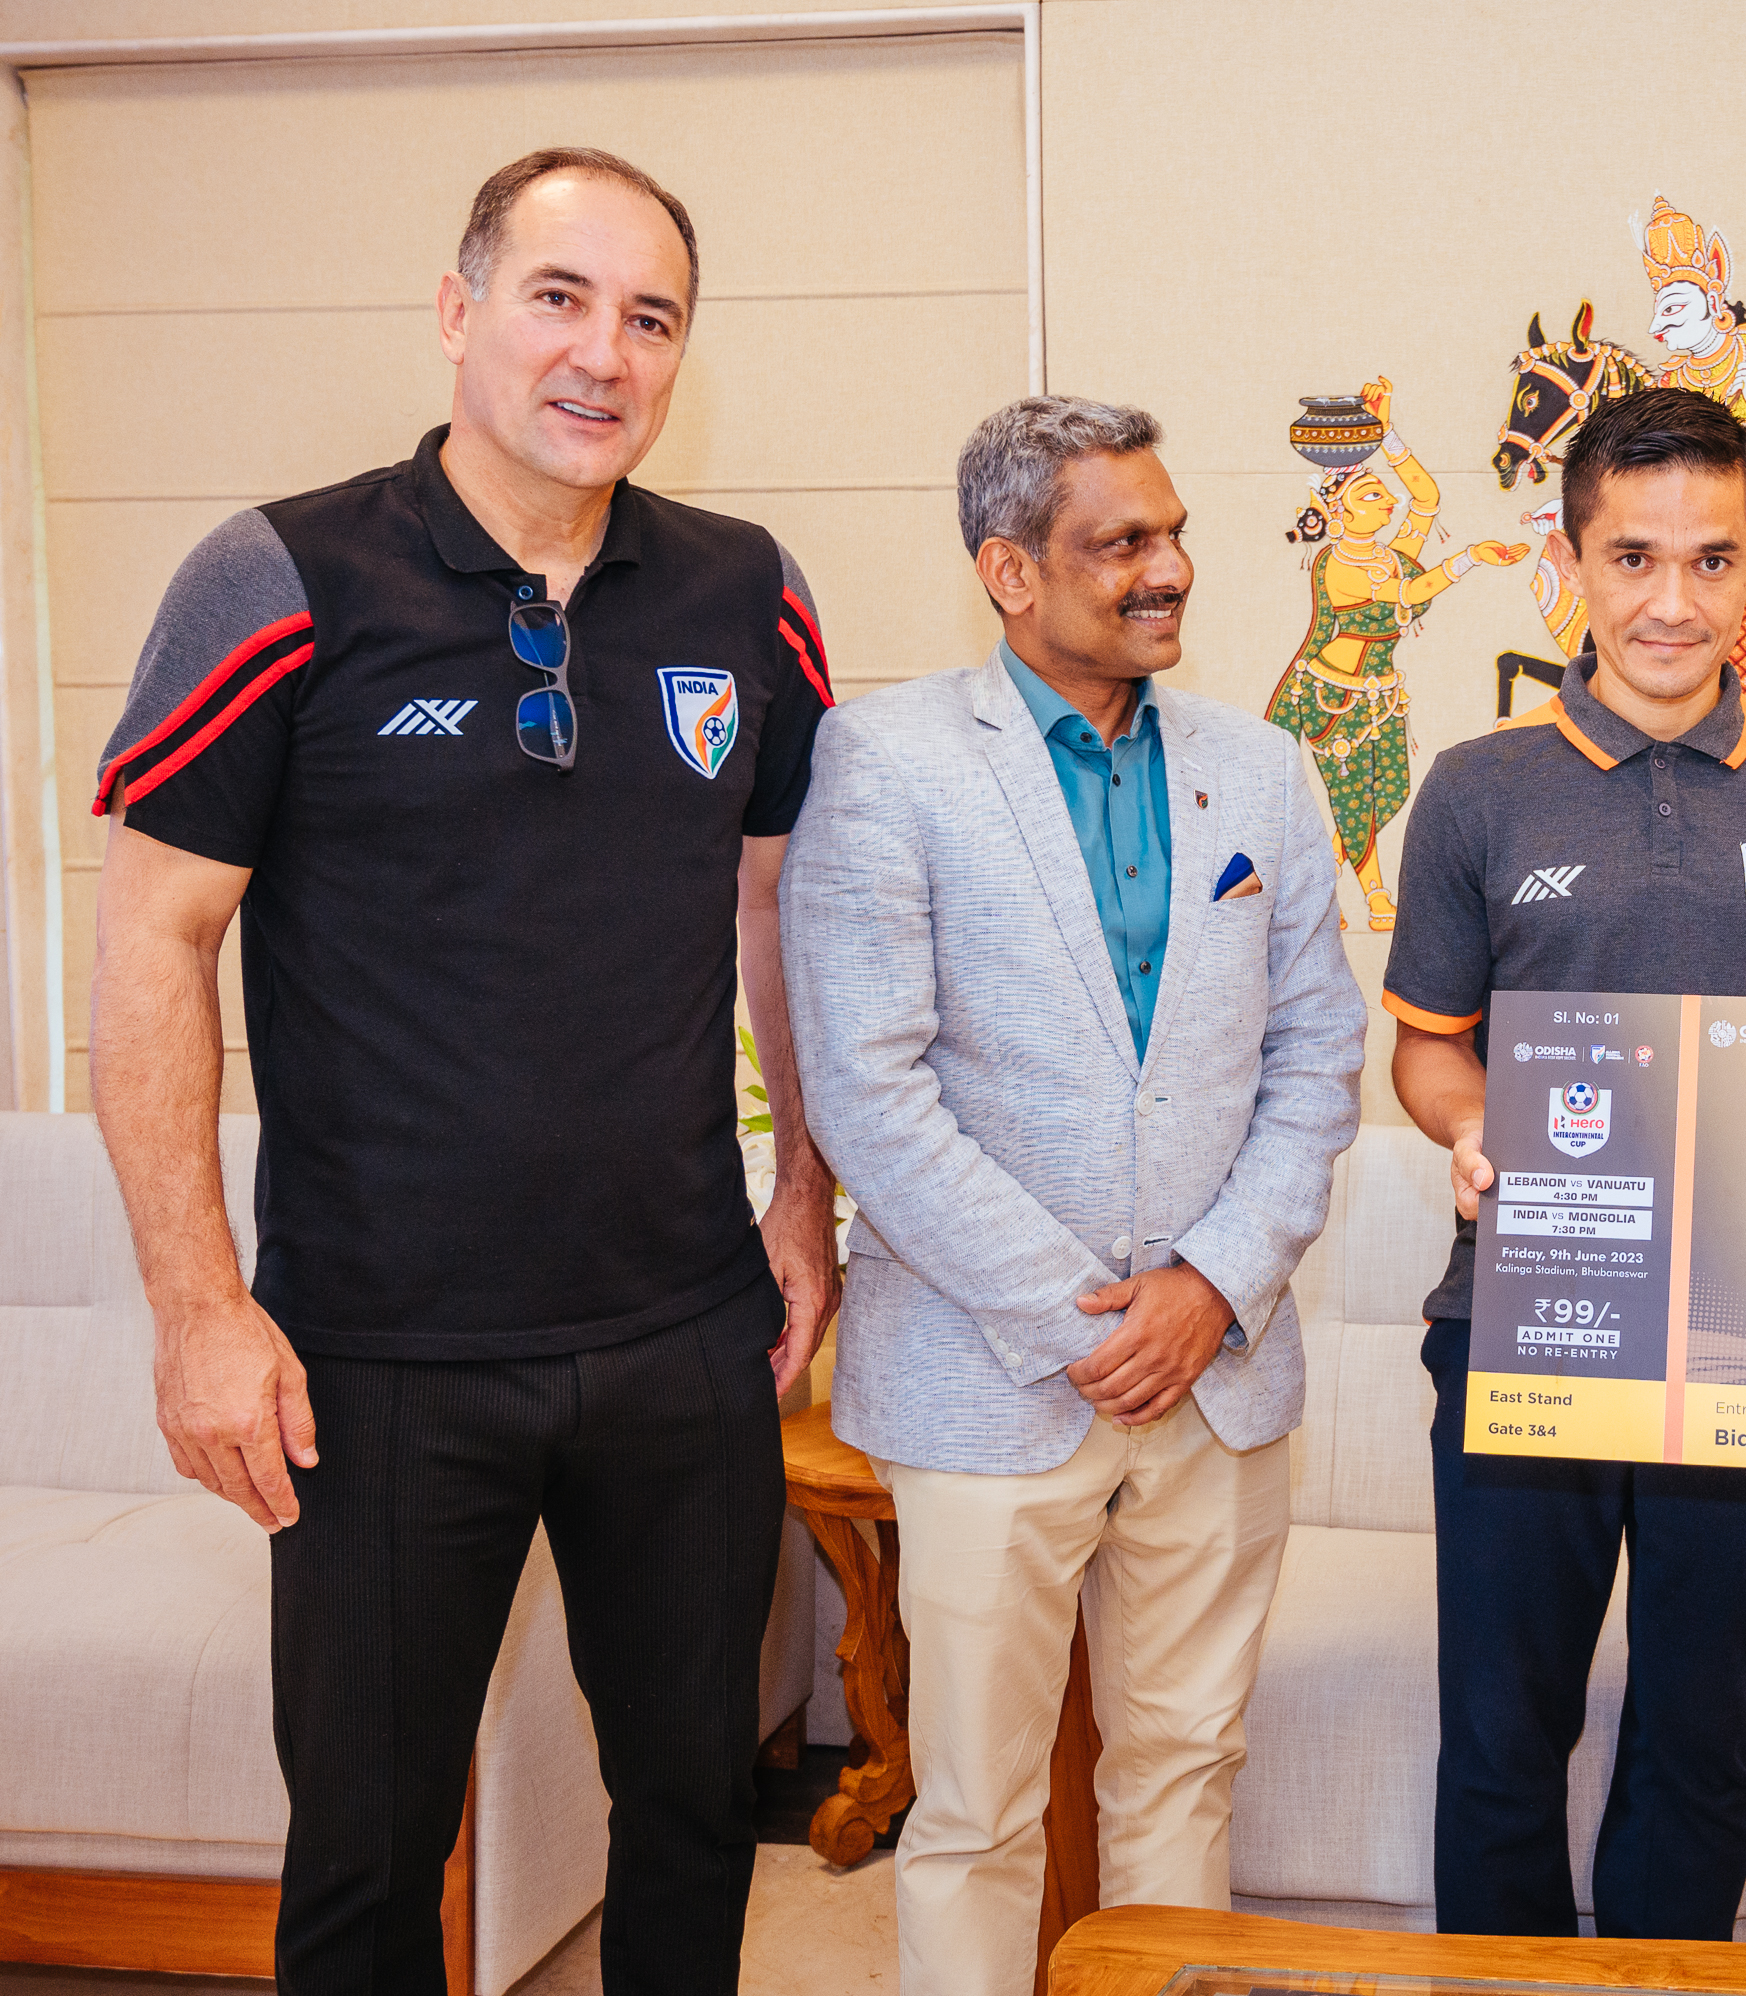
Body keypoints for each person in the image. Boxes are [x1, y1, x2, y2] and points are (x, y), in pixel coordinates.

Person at [88, 148, 841, 1992]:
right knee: (367, 1856)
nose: (603, 353)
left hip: (684, 1332)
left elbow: (781, 909)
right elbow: (155, 942)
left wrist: (806, 1196)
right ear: (457, 310)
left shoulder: (747, 594)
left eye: (650, 318)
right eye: (557, 297)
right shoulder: (280, 578)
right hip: (375, 1357)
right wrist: (198, 1310)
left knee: (695, 1810)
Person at [780, 396, 1365, 1996]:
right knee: (975, 1812)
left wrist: (1210, 1287)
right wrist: (1083, 1321)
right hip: (987, 1382)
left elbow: (1320, 1054)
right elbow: (868, 1091)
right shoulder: (886, 761)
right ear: (1011, 570)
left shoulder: (1262, 771)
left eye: (1172, 533)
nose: (1169, 568)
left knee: (1184, 1775)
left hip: (1218, 1378)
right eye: (1122, 542)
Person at [1384, 385, 1746, 1938]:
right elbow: (1427, 1048)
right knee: (1503, 1742)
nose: (1671, 602)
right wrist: (1471, 1125)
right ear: (1570, 559)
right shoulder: (1477, 791)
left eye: (1711, 559)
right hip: (1525, 1312)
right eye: (1632, 558)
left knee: (1701, 1745)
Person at [1267, 374, 1527, 931]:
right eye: (1371, 495)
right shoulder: (1339, 565)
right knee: (1353, 798)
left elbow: (1427, 498)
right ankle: (1376, 895)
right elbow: (1409, 593)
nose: (1389, 499)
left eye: (1383, 492)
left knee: (1390, 792)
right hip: (1332, 696)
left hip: (1381, 694)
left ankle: (1319, 877)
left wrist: (1387, 436)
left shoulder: (1389, 553)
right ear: (1340, 515)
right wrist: (1470, 558)